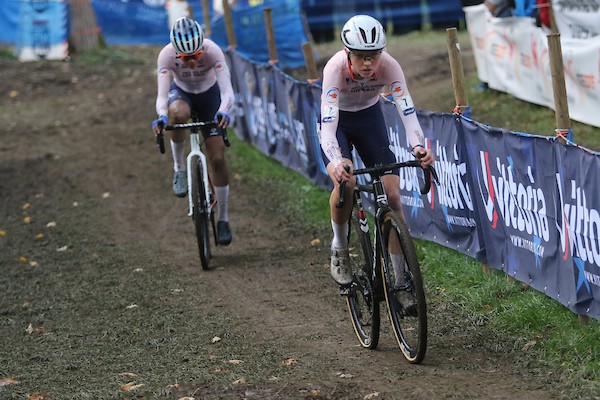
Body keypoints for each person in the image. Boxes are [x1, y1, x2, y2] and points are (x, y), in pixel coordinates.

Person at [319, 15, 435, 289]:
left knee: (393, 195)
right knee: (346, 181)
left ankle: (399, 280)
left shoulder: (390, 66)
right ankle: (340, 247)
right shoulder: (334, 69)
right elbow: (328, 127)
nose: (369, 63)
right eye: (361, 57)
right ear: (348, 53)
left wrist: (418, 146)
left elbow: (407, 112)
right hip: (339, 123)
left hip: (370, 118)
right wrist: (337, 162)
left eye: (374, 55)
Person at [152, 17, 234, 245]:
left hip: (210, 98)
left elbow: (227, 92)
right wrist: (161, 116)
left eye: (195, 55)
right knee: (176, 114)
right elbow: (162, 95)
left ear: (202, 48)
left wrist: (224, 111)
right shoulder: (166, 55)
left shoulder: (213, 51)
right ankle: (179, 169)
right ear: (176, 53)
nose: (191, 61)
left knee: (217, 159)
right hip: (183, 94)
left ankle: (223, 219)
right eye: (185, 57)